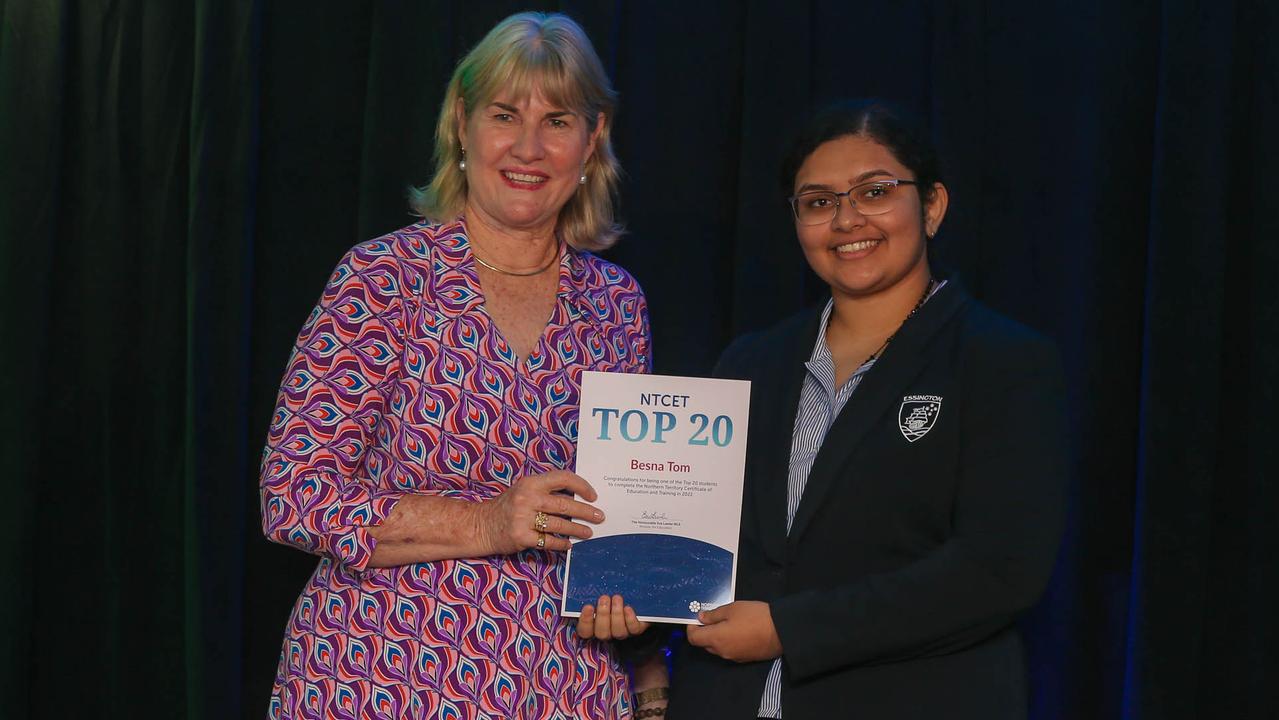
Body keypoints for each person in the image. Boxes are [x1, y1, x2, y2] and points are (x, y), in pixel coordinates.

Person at [260, 12, 665, 719]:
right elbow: (294, 497)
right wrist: (487, 522)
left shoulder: (617, 305)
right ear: (461, 121)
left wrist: (633, 603)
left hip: (563, 688)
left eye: (559, 121)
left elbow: (624, 516)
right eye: (505, 115)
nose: (528, 148)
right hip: (379, 678)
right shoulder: (382, 279)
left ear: (593, 138)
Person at [668, 100, 1067, 719]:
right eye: (818, 201)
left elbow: (996, 572)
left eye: (875, 191)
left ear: (931, 205)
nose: (847, 219)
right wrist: (632, 597)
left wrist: (788, 630)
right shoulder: (751, 363)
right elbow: (697, 541)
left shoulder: (1003, 364)